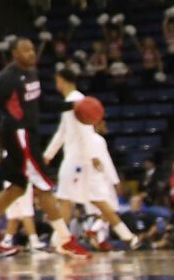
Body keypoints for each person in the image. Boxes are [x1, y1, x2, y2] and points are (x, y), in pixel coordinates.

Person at [0, 38, 77, 260]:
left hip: (29, 135)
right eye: (25, 50)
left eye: (32, 49)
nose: (31, 53)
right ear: (14, 54)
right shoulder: (7, 77)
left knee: (17, 188)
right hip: (19, 134)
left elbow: (42, 103)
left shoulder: (32, 73)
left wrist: (72, 106)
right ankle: (66, 240)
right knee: (44, 187)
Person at [47, 91, 135, 250]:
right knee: (105, 209)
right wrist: (115, 181)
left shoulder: (89, 138)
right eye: (102, 123)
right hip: (98, 180)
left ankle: (95, 236)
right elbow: (106, 163)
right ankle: (105, 234)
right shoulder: (96, 140)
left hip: (89, 176)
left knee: (74, 204)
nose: (104, 126)